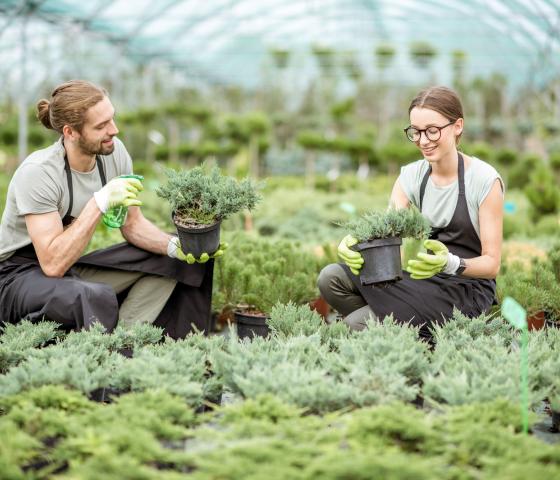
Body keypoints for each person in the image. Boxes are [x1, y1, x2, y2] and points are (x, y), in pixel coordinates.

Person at [0, 80, 224, 338]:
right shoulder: (40, 173)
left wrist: (176, 247)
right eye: (101, 126)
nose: (114, 130)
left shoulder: (113, 154)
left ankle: (125, 343)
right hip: (17, 276)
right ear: (70, 132)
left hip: (68, 266)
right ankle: (99, 360)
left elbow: (132, 225)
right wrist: (99, 203)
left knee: (181, 261)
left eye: (112, 119)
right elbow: (52, 264)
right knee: (88, 295)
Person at [318, 86, 504, 339]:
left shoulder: (484, 180)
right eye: (415, 132)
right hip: (427, 278)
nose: (423, 140)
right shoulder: (413, 176)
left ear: (457, 126)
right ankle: (403, 333)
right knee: (331, 278)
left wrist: (450, 263)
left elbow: (492, 264)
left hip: (466, 289)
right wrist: (356, 242)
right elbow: (385, 229)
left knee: (357, 324)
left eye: (432, 130)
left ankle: (404, 336)